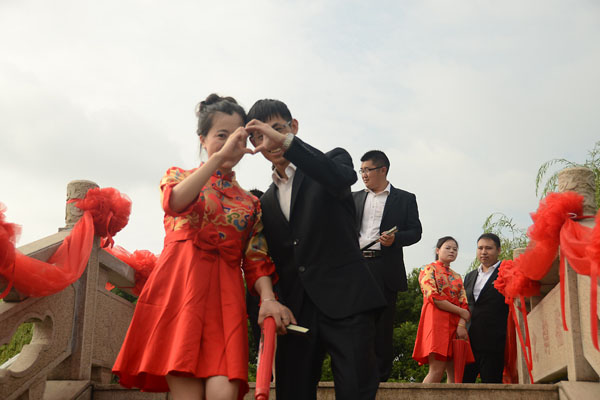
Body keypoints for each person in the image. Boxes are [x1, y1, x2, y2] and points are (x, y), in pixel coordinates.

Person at [113, 94, 294, 400]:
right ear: (203, 139)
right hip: (180, 292)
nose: (229, 143)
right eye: (221, 135)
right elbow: (174, 203)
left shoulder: (250, 203)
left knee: (224, 391)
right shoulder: (178, 177)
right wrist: (217, 160)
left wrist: (267, 299)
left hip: (225, 301)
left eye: (236, 137)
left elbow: (255, 259)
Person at [245, 99, 386, 400]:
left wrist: (287, 143)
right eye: (260, 136)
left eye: (277, 129)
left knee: (356, 391)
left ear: (294, 127)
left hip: (348, 304)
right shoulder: (264, 202)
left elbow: (342, 177)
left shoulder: (331, 162)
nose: (270, 140)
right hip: (296, 315)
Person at [352, 150, 422, 382]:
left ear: (383, 170)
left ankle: (380, 378)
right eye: (361, 170)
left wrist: (396, 239)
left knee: (382, 325)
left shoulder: (405, 198)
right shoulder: (353, 198)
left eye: (367, 170)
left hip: (385, 267)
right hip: (357, 266)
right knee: (356, 322)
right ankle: (356, 374)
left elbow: (416, 232)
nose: (363, 175)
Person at [412, 236, 470, 383]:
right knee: (437, 370)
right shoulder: (428, 269)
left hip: (456, 325)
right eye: (448, 248)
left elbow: (464, 303)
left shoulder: (457, 276)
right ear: (438, 250)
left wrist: (461, 324)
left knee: (456, 375)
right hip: (436, 323)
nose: (452, 251)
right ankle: (422, 396)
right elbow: (434, 297)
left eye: (455, 249)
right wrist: (461, 312)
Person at [462, 233, 509, 383]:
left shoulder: (507, 272)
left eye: (488, 248)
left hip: (494, 340)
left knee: (492, 385)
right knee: (462, 386)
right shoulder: (469, 276)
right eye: (480, 248)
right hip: (469, 340)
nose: (484, 252)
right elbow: (465, 304)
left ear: (499, 250)